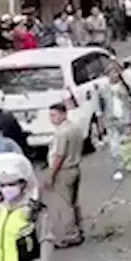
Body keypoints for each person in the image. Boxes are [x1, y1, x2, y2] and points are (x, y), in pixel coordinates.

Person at [47, 103, 86, 248]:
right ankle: (79, 229)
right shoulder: (75, 128)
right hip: (75, 167)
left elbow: (59, 155)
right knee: (74, 202)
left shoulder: (61, 133)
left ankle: (70, 235)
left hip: (64, 170)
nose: (52, 119)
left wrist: (51, 175)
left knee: (64, 205)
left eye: (54, 115)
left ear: (64, 114)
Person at [100, 63, 131, 181]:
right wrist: (101, 124)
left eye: (116, 72)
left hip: (126, 118)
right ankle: (118, 168)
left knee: (127, 143)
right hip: (111, 120)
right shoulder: (103, 90)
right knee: (115, 146)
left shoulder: (126, 87)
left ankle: (129, 162)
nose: (114, 75)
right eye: (111, 73)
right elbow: (100, 108)